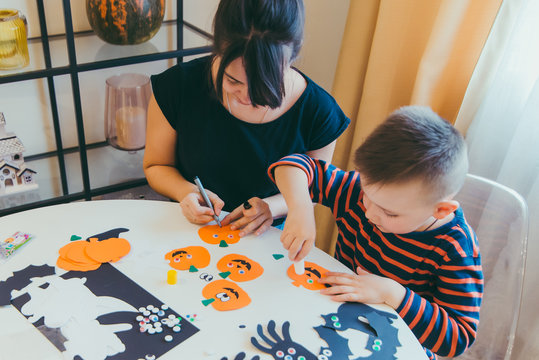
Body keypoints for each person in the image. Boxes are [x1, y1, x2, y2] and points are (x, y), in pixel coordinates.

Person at [268, 106, 483, 359]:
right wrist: (301, 208)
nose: (369, 213)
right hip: (332, 320)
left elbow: (457, 338)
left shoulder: (455, 248)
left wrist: (392, 294)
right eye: (367, 195)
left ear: (440, 210)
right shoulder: (359, 194)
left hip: (397, 346)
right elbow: (292, 165)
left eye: (390, 213)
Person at [143, 0, 350, 236]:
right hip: (189, 229)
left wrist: (270, 207)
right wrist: (185, 192)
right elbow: (156, 165)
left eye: (266, 84)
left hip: (267, 239)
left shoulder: (319, 112)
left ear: (294, 54)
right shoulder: (177, 87)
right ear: (217, 47)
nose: (247, 97)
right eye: (233, 81)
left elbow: (312, 191)